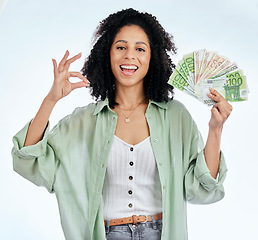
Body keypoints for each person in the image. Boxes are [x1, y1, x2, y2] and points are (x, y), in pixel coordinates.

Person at [12, 8, 232, 240]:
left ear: (152, 57)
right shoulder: (84, 121)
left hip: (162, 232)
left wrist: (215, 129)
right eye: (121, 47)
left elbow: (201, 188)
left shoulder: (176, 116)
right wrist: (51, 99)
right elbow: (29, 161)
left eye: (140, 49)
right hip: (105, 234)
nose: (129, 56)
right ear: (107, 54)